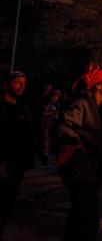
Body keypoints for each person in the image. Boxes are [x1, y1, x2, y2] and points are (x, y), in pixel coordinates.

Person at [56, 67, 102, 240]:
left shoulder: (101, 108)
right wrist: (77, 142)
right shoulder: (82, 105)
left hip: (92, 170)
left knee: (85, 215)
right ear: (98, 86)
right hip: (80, 169)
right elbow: (63, 126)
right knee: (83, 215)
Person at [0, 71, 35, 240]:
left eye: (24, 83)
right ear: (6, 84)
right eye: (17, 82)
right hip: (4, 163)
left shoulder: (23, 108)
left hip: (18, 164)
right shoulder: (2, 107)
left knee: (8, 202)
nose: (22, 86)